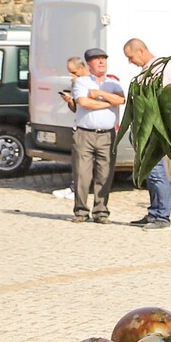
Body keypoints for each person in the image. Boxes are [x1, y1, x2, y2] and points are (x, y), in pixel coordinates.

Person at [67, 48, 125, 224]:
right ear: (89, 64)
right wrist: (108, 103)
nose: (101, 62)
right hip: (85, 133)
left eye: (103, 59)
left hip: (107, 135)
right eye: (97, 59)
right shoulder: (81, 83)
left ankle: (101, 211)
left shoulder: (113, 84)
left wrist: (99, 94)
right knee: (82, 174)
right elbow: (83, 103)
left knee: (105, 174)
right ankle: (81, 211)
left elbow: (121, 100)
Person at [122, 38, 171, 228]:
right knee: (150, 172)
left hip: (155, 129)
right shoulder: (146, 70)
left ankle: (162, 216)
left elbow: (166, 96)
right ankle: (154, 213)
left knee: (157, 172)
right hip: (146, 129)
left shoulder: (160, 68)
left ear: (141, 51)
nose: (130, 61)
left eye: (130, 57)